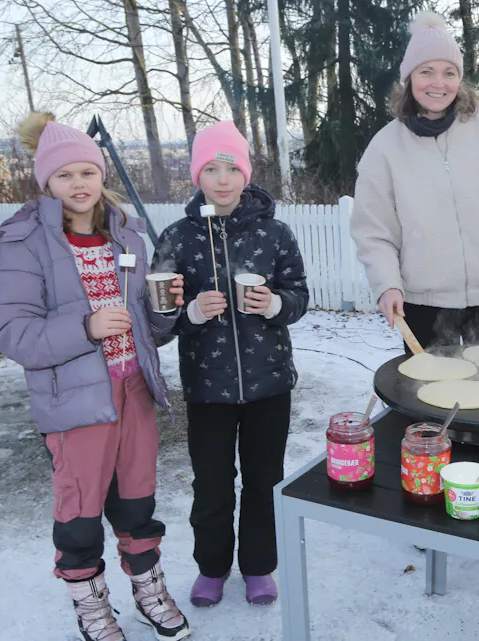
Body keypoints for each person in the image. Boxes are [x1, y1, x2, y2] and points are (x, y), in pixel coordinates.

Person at [0, 113, 191, 641]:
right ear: (46, 182)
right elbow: (11, 333)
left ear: (102, 176)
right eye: (65, 176)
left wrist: (166, 312)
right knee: (79, 516)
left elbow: (144, 327)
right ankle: (91, 607)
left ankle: (148, 590)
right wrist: (86, 326)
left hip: (134, 393)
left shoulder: (125, 234)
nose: (79, 184)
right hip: (74, 404)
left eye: (88, 172)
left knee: (138, 504)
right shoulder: (27, 241)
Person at [152, 121, 309, 608]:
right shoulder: (177, 237)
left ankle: (260, 566)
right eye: (211, 169)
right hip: (208, 387)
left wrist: (275, 305)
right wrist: (192, 314)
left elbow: (299, 293)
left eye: (232, 168)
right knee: (213, 485)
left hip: (269, 385)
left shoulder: (274, 232)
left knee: (265, 480)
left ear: (246, 174)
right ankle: (212, 567)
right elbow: (161, 312)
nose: (222, 179)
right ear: (197, 175)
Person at [351, 11, 479, 350]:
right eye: (426, 72)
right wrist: (387, 284)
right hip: (423, 303)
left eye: (448, 72)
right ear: (409, 78)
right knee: (431, 398)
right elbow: (374, 231)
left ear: (460, 78)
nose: (437, 83)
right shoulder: (384, 147)